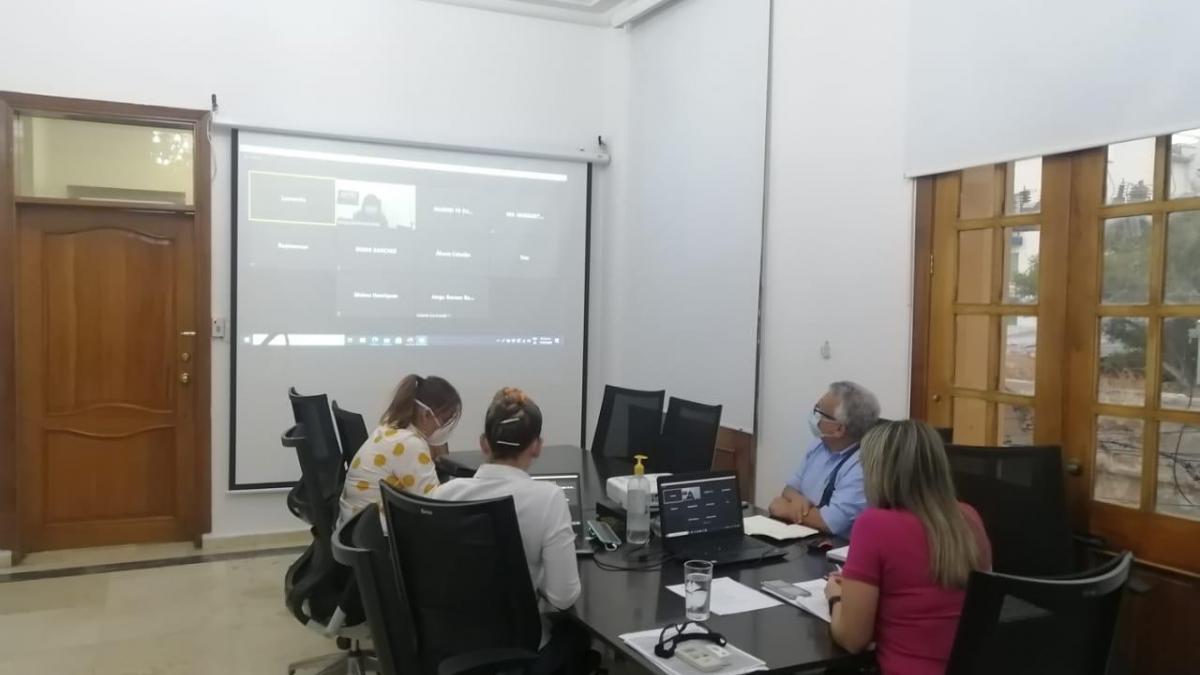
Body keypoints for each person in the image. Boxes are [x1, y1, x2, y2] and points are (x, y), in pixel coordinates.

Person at [434, 388, 589, 675]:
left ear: (484, 443)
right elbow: (563, 597)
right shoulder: (548, 499)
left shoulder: (443, 495)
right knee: (577, 637)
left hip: (449, 647)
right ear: (537, 447)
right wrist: (536, 574)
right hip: (520, 650)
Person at [824, 420, 992, 675]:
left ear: (878, 473)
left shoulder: (874, 525)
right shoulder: (970, 518)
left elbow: (853, 639)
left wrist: (836, 597)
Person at [337, 374, 461, 526]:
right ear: (426, 414)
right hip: (375, 533)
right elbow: (432, 503)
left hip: (354, 526)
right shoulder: (410, 444)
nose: (444, 428)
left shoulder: (388, 429)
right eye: (444, 420)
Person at [769, 381, 880, 536]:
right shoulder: (819, 445)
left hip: (834, 546)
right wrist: (798, 499)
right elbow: (790, 489)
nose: (815, 416)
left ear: (839, 429)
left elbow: (829, 522)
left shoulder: (863, 467)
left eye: (820, 412)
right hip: (803, 536)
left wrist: (786, 509)